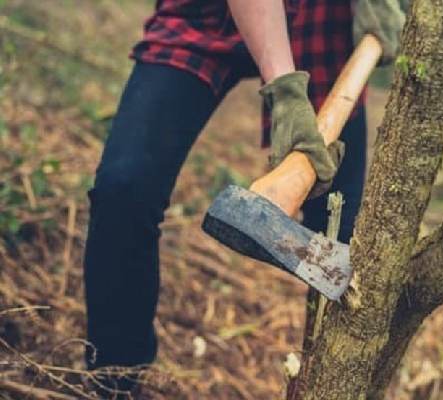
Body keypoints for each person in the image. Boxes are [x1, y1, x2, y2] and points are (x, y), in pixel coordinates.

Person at [83, 0, 406, 394]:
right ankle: (113, 381)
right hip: (206, 12)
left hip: (322, 17)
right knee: (124, 189)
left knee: (341, 237)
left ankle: (331, 387)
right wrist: (286, 93)